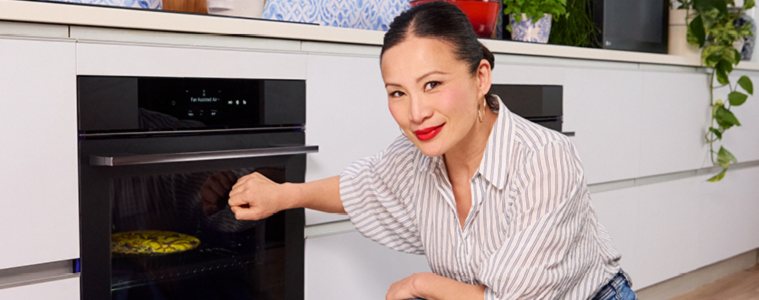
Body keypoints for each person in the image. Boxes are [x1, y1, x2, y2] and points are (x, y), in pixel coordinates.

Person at [228, 2, 637, 299]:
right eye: (397, 93)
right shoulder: (413, 157)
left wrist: (420, 283)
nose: (416, 113)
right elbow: (362, 187)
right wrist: (283, 195)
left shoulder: (544, 159)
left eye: (433, 84)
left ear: (481, 77)